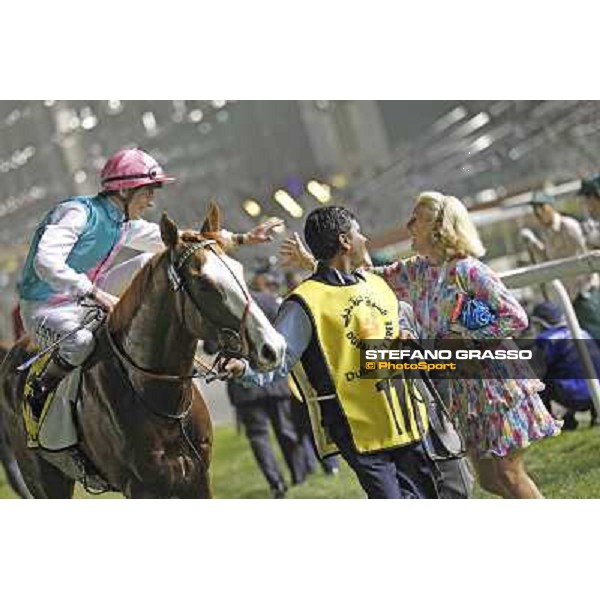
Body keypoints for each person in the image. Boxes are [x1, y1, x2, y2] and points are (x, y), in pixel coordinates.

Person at [280, 192, 561, 499]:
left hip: (495, 386)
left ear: (438, 226)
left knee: (509, 473)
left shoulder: (469, 270)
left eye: (416, 218)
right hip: (463, 392)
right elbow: (357, 276)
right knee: (490, 480)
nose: (408, 223)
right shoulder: (418, 270)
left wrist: (467, 340)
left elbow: (515, 317)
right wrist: (313, 261)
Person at [17, 147, 282, 446]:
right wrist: (94, 293)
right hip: (44, 307)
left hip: (85, 294)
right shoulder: (76, 213)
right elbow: (45, 262)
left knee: (153, 262)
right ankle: (41, 388)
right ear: (125, 190)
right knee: (81, 343)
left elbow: (182, 241)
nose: (152, 200)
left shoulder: (123, 224)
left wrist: (242, 238)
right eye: (148, 191)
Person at [221, 206, 445, 499]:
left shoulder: (377, 285)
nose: (364, 237)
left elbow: (403, 338)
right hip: (357, 428)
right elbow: (280, 361)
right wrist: (246, 371)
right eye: (358, 231)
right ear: (345, 241)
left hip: (406, 420)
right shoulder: (303, 302)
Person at [226, 270, 307, 498]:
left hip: (244, 384)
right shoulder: (268, 301)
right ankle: (298, 473)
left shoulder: (222, 307)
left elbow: (213, 347)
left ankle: (276, 484)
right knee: (286, 429)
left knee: (258, 436)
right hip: (274, 378)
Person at [522, 191, 600, 338]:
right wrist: (533, 244)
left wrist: (585, 289)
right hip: (570, 296)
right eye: (535, 210)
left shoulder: (568, 226)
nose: (538, 212)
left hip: (585, 291)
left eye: (541, 207)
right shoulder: (547, 232)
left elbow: (584, 254)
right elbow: (549, 259)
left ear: (550, 207)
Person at [531, 301, 600, 430]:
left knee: (538, 382)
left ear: (541, 322)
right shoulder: (581, 332)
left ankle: (547, 425)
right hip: (596, 393)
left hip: (574, 396)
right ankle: (595, 416)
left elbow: (536, 373)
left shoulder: (546, 340)